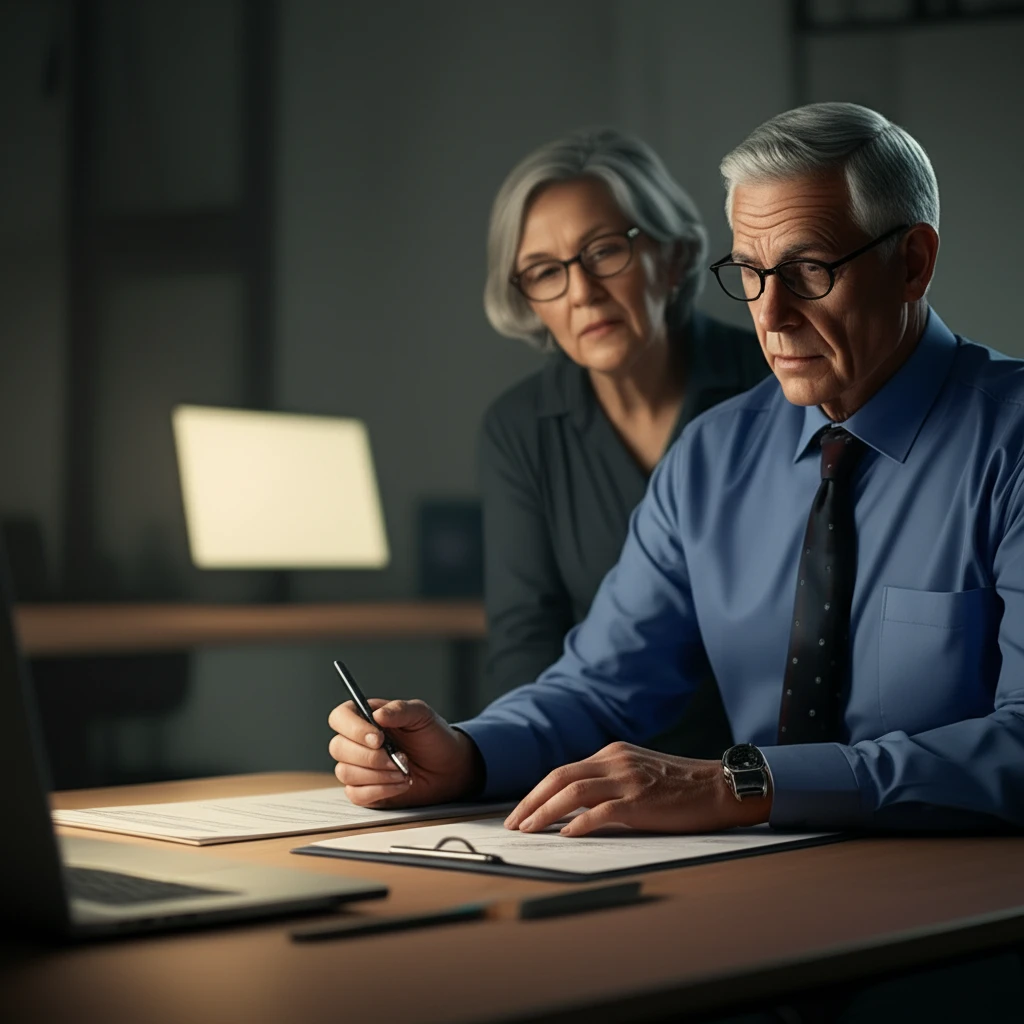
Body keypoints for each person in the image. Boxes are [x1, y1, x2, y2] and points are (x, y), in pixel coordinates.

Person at [328, 102, 1024, 835]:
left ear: (912, 262)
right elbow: (602, 689)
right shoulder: (711, 457)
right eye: (750, 273)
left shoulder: (1011, 445)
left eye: (808, 270)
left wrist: (746, 784)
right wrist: (464, 753)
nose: (772, 314)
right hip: (757, 882)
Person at [478, 128, 767, 758]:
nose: (581, 292)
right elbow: (524, 637)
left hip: (765, 763)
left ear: (674, 255)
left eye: (605, 252)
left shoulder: (777, 384)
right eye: (544, 272)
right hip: (596, 761)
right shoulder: (518, 426)